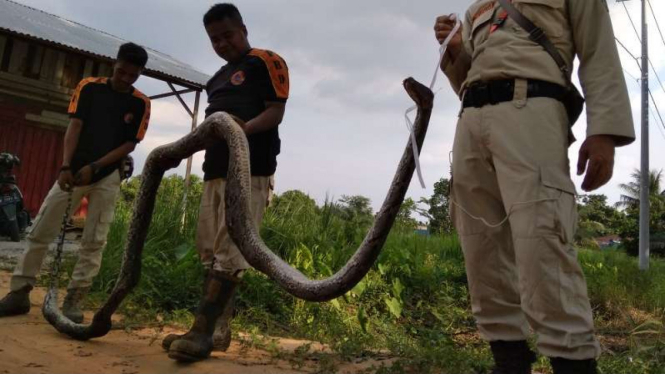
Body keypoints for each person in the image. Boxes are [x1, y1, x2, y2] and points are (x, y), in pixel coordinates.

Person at [434, 1, 634, 373]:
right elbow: (464, 79)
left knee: (541, 239)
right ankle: (508, 360)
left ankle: (573, 362)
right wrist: (457, 50)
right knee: (481, 250)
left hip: (533, 109)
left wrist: (603, 132)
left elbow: (598, 52)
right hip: (472, 119)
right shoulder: (479, 7)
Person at [162, 3, 289, 362]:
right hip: (213, 171)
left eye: (227, 35)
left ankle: (201, 331)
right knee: (208, 250)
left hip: (249, 170)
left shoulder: (267, 61)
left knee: (231, 250)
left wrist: (240, 132)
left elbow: (276, 111)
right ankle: (217, 330)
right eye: (214, 39)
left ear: (243, 29)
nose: (221, 44)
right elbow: (206, 129)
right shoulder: (215, 79)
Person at [0, 43, 151, 324]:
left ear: (140, 73)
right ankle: (19, 292)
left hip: (108, 175)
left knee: (95, 239)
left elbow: (130, 143)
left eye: (132, 75)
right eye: (121, 72)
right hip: (72, 171)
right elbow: (75, 126)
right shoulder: (89, 87)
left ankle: (74, 298)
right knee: (41, 229)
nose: (125, 79)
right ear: (113, 64)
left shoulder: (141, 103)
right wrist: (66, 166)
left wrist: (96, 166)